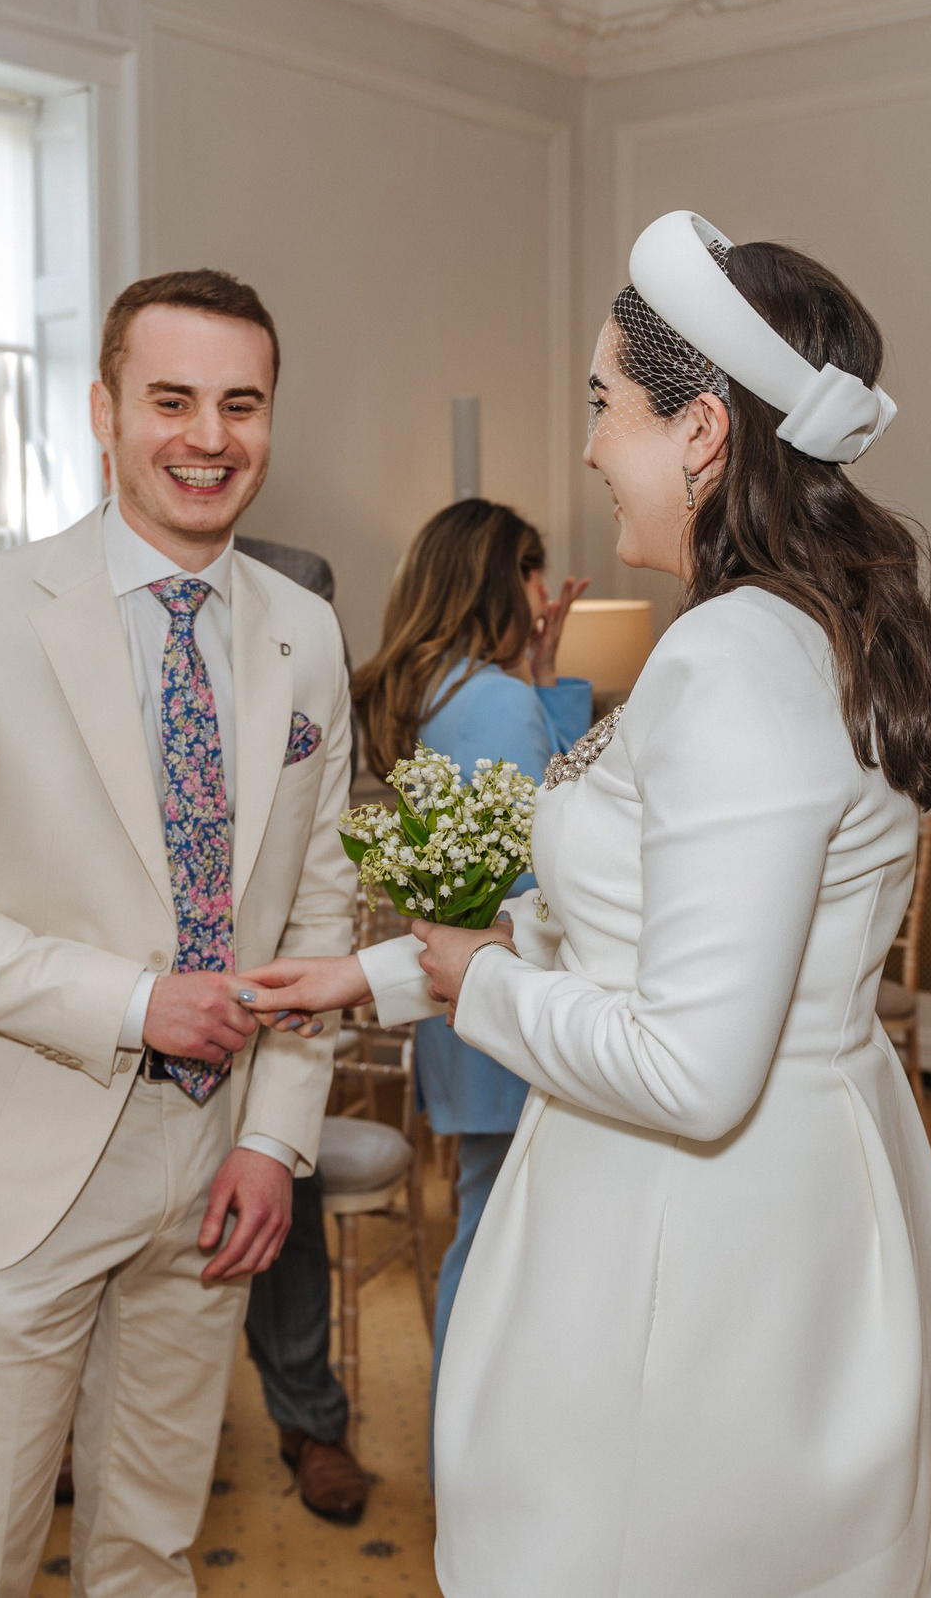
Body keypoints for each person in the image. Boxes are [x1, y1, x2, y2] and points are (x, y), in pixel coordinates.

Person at [244, 212, 931, 1597]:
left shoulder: (731, 663)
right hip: (797, 1171)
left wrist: (468, 984)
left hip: (690, 1226)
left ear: (702, 432)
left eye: (604, 405)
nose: (588, 447)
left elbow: (692, 1072)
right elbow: (641, 931)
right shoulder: (809, 628)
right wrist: (383, 979)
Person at [0, 268, 353, 1597]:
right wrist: (134, 1003)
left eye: (240, 404)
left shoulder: (304, 635)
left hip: (210, 1167)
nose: (209, 436)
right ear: (103, 409)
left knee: (151, 1544)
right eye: (172, 399)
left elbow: (318, 908)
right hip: (19, 1168)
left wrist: (271, 1138)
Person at [349, 499, 589, 1387]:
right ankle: (469, 1448)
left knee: (485, 1223)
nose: (542, 592)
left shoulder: (439, 692)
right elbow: (563, 848)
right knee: (497, 1243)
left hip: (457, 997)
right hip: (509, 987)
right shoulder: (495, 702)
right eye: (533, 572)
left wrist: (544, 670)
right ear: (499, 581)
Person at [224, 531, 371, 1525]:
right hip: (128, 1011)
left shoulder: (304, 606)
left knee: (290, 1226)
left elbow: (324, 874)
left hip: (279, 1001)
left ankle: (310, 1418)